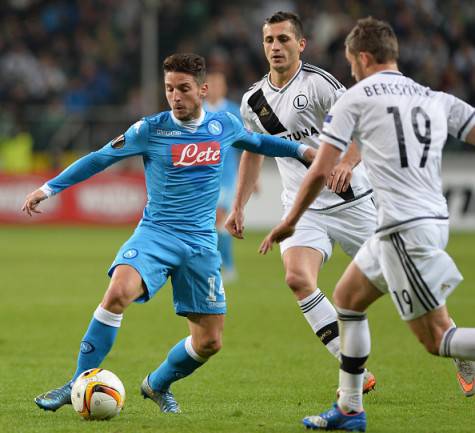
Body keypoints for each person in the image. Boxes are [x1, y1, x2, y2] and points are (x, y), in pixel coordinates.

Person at [22, 53, 316, 414]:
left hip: (200, 244)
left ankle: (157, 384)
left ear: (203, 89)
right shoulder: (151, 129)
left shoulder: (224, 125)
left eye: (183, 89)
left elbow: (259, 144)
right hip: (156, 235)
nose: (175, 96)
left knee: (209, 341)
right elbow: (99, 158)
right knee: (118, 292)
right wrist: (49, 189)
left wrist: (303, 151)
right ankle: (78, 382)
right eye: (169, 89)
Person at [260, 17, 475, 432]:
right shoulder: (434, 97)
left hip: (401, 228)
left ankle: (353, 408)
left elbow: (321, 169)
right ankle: (350, 409)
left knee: (437, 342)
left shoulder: (354, 100)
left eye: (351, 62)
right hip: (412, 221)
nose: (351, 70)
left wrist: (289, 222)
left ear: (361, 57)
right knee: (347, 300)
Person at [225, 11, 376, 391]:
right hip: (302, 210)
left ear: (301, 44)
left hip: (352, 202)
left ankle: (457, 347)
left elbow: (359, 128)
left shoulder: (321, 85)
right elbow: (253, 151)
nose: (275, 47)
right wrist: (239, 205)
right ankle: (350, 362)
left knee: (404, 282)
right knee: (296, 278)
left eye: (283, 40)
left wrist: (347, 160)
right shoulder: (253, 101)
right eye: (269, 40)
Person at [205, 71, 242, 281]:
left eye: (219, 84)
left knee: (219, 218)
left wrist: (251, 178)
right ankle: (214, 265)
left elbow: (244, 145)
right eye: (211, 84)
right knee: (209, 223)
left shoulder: (233, 111)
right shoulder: (197, 111)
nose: (215, 88)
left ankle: (226, 266)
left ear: (224, 87)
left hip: (226, 176)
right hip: (202, 178)